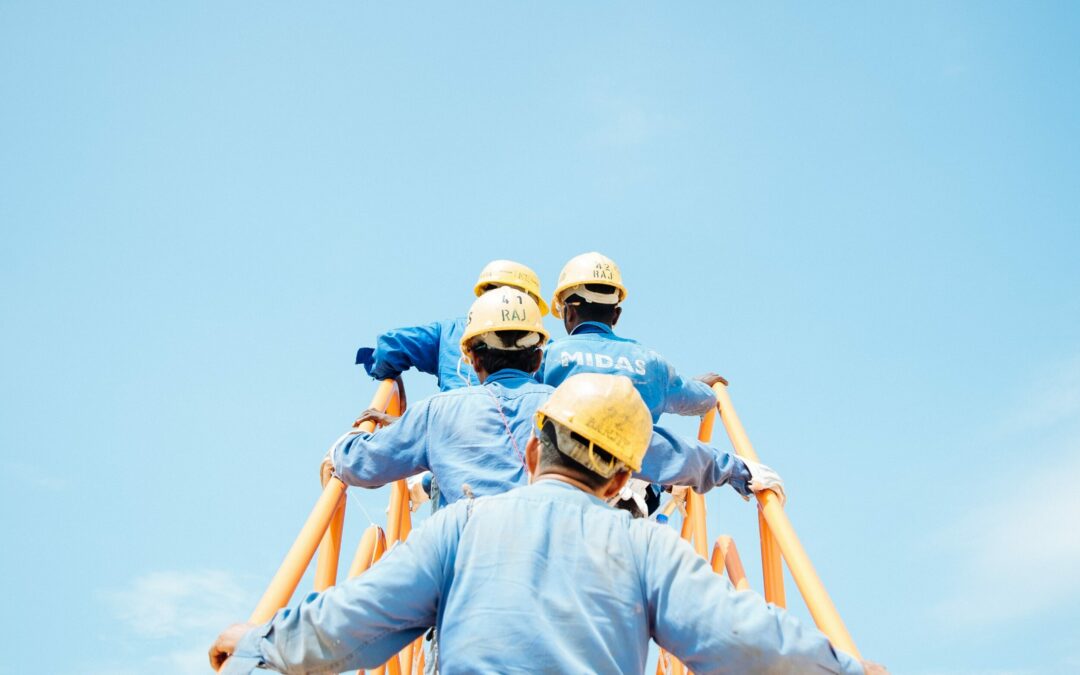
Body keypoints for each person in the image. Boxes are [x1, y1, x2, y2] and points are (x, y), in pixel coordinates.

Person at [211, 374, 885, 675]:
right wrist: (848, 669)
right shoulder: (646, 542)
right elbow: (740, 637)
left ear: (533, 449)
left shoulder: (460, 526)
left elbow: (353, 620)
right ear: (623, 480)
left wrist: (259, 640)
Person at [321, 287, 784, 509]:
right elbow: (661, 449)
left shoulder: (435, 413)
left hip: (466, 591)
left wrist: (350, 441)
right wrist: (737, 469)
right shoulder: (576, 408)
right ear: (539, 350)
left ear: (472, 357)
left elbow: (362, 465)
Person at [542, 251, 724, 423]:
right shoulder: (651, 362)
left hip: (563, 455)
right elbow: (702, 399)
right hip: (636, 456)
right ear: (616, 314)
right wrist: (701, 386)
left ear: (570, 312)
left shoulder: (549, 356)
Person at [354, 259, 549, 392]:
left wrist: (390, 377)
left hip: (450, 434)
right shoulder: (544, 347)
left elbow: (389, 348)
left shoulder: (448, 333)